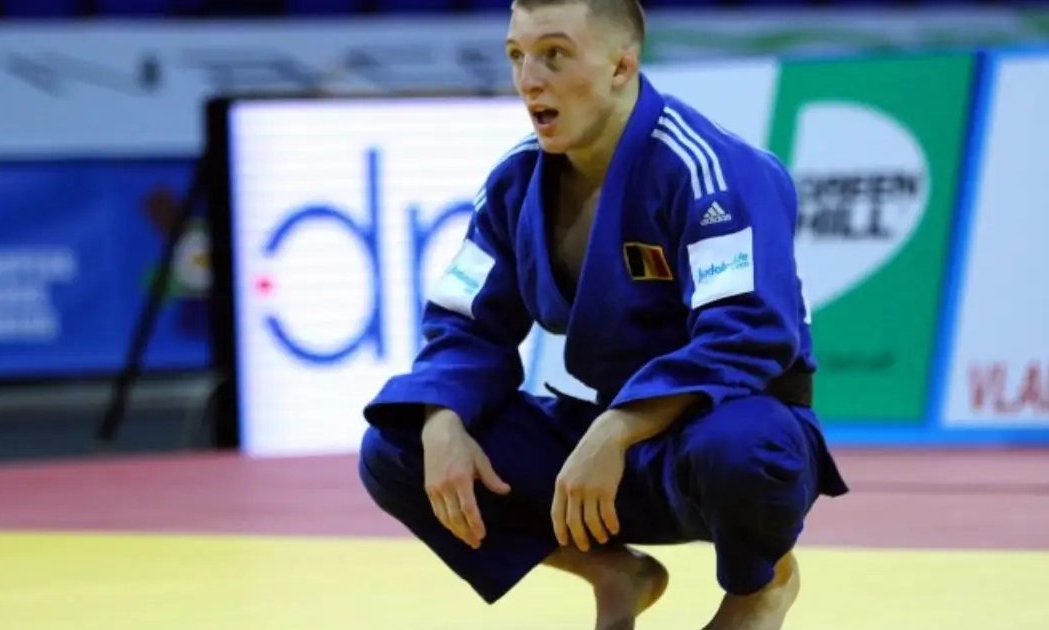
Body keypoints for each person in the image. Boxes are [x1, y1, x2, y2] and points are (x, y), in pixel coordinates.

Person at [356, 0, 849, 628]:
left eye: (554, 55)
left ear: (621, 66)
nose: (529, 79)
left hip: (720, 438)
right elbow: (467, 323)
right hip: (606, 450)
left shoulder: (709, 169)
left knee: (744, 447)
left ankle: (763, 584)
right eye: (517, 56)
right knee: (399, 444)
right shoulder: (516, 181)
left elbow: (745, 334)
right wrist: (443, 415)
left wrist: (617, 430)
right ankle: (616, 572)